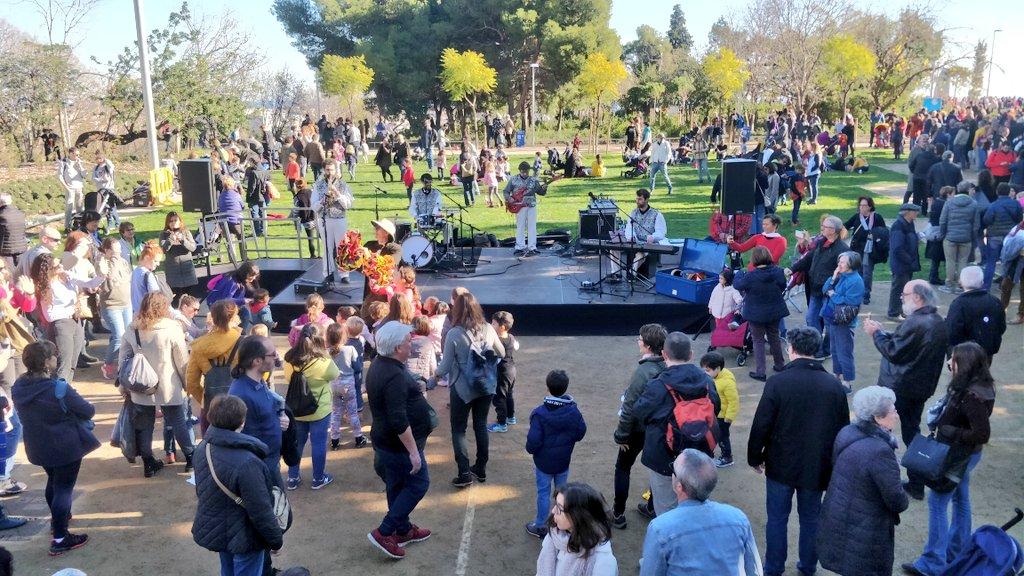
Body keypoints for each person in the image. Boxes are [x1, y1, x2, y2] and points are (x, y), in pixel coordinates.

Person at [747, 326, 850, 576]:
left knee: (777, 519)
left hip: (781, 464)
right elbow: (843, 429)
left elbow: (762, 423)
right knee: (811, 519)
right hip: (817, 466)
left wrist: (754, 456)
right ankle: (807, 566)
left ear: (791, 349)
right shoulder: (834, 387)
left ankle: (773, 567)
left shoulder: (778, 382)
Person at [904, 341, 995, 576]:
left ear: (962, 364)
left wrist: (950, 431)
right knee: (960, 498)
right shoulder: (979, 386)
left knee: (937, 503)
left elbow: (982, 433)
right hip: (965, 455)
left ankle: (933, 562)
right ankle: (958, 551)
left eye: (952, 359)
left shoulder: (972, 395)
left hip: (957, 455)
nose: (948, 363)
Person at [12, 341, 99, 555]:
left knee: (53, 482)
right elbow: (88, 411)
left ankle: (57, 521)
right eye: (53, 356)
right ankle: (60, 538)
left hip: (38, 446)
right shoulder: (58, 388)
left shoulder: (18, 387)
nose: (56, 358)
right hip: (65, 447)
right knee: (63, 489)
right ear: (46, 362)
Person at [862, 280, 948, 497]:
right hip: (919, 387)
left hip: (900, 387)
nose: (901, 297)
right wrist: (885, 333)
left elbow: (894, 351)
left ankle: (882, 477)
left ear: (918, 297)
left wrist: (876, 334)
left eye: (905, 294)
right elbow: (907, 344)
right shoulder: (936, 320)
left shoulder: (917, 322)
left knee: (880, 428)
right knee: (911, 431)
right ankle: (916, 482)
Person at [817, 386, 909, 576]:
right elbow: (897, 500)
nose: (897, 414)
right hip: (866, 531)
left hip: (841, 518)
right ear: (878, 417)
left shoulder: (848, 432)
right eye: (893, 410)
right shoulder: (880, 451)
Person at [365, 321, 435, 560]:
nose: (411, 344)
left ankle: (403, 529)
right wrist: (414, 452)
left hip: (385, 442)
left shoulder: (380, 363)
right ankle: (385, 532)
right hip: (397, 445)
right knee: (418, 483)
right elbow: (398, 420)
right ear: (397, 348)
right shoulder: (393, 374)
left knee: (396, 484)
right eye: (407, 342)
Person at [192, 395, 283, 576]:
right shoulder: (248, 462)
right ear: (242, 422)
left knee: (227, 570)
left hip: (219, 529)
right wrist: (275, 540)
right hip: (245, 536)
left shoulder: (203, 448)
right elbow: (260, 509)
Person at [632, 332, 720, 516]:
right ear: (691, 355)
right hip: (699, 454)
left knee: (666, 508)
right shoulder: (707, 382)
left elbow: (640, 412)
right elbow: (716, 408)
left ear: (664, 355)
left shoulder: (658, 385)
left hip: (665, 456)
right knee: (697, 502)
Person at [639, 449, 762, 576]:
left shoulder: (660, 529)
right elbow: (754, 570)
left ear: (679, 486)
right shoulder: (739, 519)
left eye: (673, 469)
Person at [118, 292, 194, 476]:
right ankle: (191, 458)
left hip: (140, 384)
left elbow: (123, 359)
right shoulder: (173, 328)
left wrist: (124, 386)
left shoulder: (132, 328)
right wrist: (187, 384)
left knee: (145, 425)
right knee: (178, 421)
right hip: (169, 384)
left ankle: (148, 463)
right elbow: (182, 360)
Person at [436, 292, 505, 487]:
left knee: (459, 430)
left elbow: (445, 366)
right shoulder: (488, 329)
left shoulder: (454, 333)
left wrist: (432, 378)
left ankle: (464, 472)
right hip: (485, 385)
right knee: (481, 425)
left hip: (462, 389)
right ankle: (481, 468)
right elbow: (500, 352)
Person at [611, 323, 667, 528]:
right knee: (657, 468)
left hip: (637, 430)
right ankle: (652, 506)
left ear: (648, 347)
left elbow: (629, 407)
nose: (638, 342)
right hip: (659, 430)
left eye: (640, 340)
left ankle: (618, 514)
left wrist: (621, 435)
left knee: (623, 467)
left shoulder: (643, 372)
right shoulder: (668, 366)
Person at [525, 370, 587, 538]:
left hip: (544, 463)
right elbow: (581, 432)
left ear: (548, 388)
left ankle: (541, 525)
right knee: (561, 493)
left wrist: (533, 450)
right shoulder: (573, 411)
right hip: (563, 461)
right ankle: (561, 523)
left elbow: (533, 442)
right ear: (565, 388)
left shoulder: (539, 413)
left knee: (543, 493)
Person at [283, 323, 340, 491]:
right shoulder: (323, 361)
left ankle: (292, 478)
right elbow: (334, 374)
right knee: (319, 444)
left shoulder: (289, 359)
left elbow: (287, 378)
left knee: (296, 443)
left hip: (296, 409)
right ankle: (318, 478)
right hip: (319, 410)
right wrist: (326, 355)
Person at [31, 254, 104, 383]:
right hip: (61, 325)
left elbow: (90, 283)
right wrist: (73, 307)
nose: (61, 266)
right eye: (56, 265)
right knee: (63, 363)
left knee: (73, 362)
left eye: (60, 263)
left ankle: (66, 389)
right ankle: (58, 394)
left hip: (75, 321)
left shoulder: (66, 276)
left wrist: (102, 275)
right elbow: (50, 316)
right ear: (47, 270)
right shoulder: (46, 286)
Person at [229, 336, 288, 488]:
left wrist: (280, 419)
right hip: (260, 468)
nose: (276, 357)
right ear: (257, 361)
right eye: (273, 354)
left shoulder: (259, 382)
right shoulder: (241, 394)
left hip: (270, 461)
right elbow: (235, 436)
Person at [787, 215, 848, 359]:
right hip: (815, 290)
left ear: (833, 230)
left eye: (825, 226)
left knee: (829, 323)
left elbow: (844, 273)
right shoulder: (822, 242)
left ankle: (825, 350)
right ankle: (818, 348)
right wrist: (793, 269)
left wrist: (831, 288)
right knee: (811, 318)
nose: (822, 228)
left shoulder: (842, 250)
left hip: (829, 294)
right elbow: (808, 258)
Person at [535, 483, 617, 576]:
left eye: (560, 508)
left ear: (579, 516)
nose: (553, 511)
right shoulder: (555, 534)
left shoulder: (604, 564)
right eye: (555, 504)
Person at [734, 246, 789, 381]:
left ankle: (761, 372)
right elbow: (783, 286)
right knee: (774, 337)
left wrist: (739, 274)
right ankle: (780, 365)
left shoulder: (750, 276)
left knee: (757, 341)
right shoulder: (778, 272)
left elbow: (737, 285)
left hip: (755, 313)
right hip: (774, 310)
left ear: (754, 259)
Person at [820, 251, 865, 393]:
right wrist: (833, 278)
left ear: (852, 264)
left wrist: (833, 294)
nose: (839, 264)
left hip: (844, 322)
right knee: (834, 350)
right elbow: (824, 289)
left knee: (844, 351)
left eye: (843, 262)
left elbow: (851, 301)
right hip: (833, 318)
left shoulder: (856, 281)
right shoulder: (841, 275)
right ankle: (836, 376)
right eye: (839, 261)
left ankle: (847, 383)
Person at [946, 266, 1005, 360]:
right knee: (983, 372)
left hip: (964, 354)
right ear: (982, 282)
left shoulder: (958, 304)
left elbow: (952, 332)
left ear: (960, 282)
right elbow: (1001, 326)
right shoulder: (995, 301)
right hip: (986, 351)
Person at [95, 236, 133, 380]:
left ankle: (125, 362)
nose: (118, 253)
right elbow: (105, 274)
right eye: (114, 250)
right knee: (118, 336)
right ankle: (108, 364)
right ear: (106, 250)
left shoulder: (123, 262)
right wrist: (109, 259)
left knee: (126, 335)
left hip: (126, 303)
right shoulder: (102, 263)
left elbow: (128, 278)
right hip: (111, 305)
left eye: (119, 250)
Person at [610, 188, 667, 283]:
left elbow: (661, 232)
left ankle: (632, 273)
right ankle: (616, 274)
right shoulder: (633, 212)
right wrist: (630, 236)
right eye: (637, 199)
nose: (637, 201)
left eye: (640, 199)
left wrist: (653, 237)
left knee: (640, 255)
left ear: (646, 199)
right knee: (613, 249)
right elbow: (629, 227)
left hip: (647, 244)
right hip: (633, 242)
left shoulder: (657, 214)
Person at [311, 162, 354, 283]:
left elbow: (348, 204)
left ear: (336, 170)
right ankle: (328, 273)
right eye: (327, 170)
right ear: (324, 170)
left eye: (332, 170)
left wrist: (337, 193)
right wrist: (322, 200)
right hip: (324, 219)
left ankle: (344, 274)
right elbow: (313, 206)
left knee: (341, 247)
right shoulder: (318, 185)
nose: (330, 173)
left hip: (339, 219)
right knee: (327, 247)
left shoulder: (343, 184)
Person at [325, 322, 365, 450]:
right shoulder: (350, 349)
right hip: (348, 384)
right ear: (344, 336)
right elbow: (357, 367)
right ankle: (358, 437)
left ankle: (335, 440)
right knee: (352, 412)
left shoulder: (326, 352)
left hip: (333, 384)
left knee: (336, 412)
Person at [939, 182, 979, 294]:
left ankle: (948, 284)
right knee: (963, 261)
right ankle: (960, 285)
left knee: (950, 261)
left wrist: (943, 235)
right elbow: (976, 225)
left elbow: (943, 221)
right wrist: (972, 237)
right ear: (968, 190)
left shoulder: (949, 202)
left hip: (950, 237)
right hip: (966, 238)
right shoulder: (974, 204)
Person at [981, 183, 1024, 290]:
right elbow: (1019, 220)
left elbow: (987, 220)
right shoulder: (1016, 204)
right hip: (1011, 237)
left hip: (995, 237)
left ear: (997, 192)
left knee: (991, 262)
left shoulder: (993, 205)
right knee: (1008, 261)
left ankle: (986, 286)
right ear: (1009, 192)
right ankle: (1004, 285)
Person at [844, 197, 886, 304]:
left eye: (864, 206)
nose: (861, 208)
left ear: (870, 207)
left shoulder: (877, 217)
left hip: (870, 250)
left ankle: (866, 294)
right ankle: (858, 292)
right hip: (856, 249)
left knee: (867, 272)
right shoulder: (857, 217)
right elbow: (846, 226)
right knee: (857, 272)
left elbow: (884, 232)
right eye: (860, 205)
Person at [700, 352, 738, 468]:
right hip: (714, 414)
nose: (704, 373)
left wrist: (729, 418)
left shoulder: (727, 382)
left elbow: (734, 401)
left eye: (707, 370)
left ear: (717, 369)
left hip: (723, 417)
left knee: (723, 437)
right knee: (713, 434)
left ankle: (727, 457)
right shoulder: (713, 377)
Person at [503, 161, 550, 257]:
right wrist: (509, 198)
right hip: (519, 206)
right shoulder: (514, 180)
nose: (525, 173)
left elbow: (540, 192)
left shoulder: (533, 180)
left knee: (532, 226)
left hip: (531, 205)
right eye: (523, 171)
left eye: (526, 171)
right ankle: (520, 246)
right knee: (520, 226)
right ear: (519, 171)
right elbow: (506, 191)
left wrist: (544, 188)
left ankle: (532, 247)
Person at [886, 202, 923, 320]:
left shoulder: (909, 223)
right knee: (898, 288)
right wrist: (910, 260)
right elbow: (897, 248)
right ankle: (893, 313)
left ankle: (901, 311)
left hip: (906, 264)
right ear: (907, 212)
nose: (917, 213)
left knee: (904, 289)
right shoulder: (899, 226)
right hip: (901, 264)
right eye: (915, 211)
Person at [488, 311, 519, 432]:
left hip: (502, 372)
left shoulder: (498, 341)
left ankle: (501, 424)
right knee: (509, 395)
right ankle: (510, 417)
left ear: (501, 327)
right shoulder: (510, 337)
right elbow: (516, 346)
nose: (491, 325)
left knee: (499, 398)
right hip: (511, 370)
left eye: (494, 323)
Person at [159, 212, 198, 307]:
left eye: (175, 220)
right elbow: (163, 249)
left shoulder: (186, 232)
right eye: (170, 221)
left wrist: (183, 240)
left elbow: (193, 248)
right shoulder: (164, 234)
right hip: (173, 273)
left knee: (189, 301)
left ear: (180, 221)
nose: (173, 223)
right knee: (176, 301)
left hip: (187, 271)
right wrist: (171, 240)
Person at [57, 147, 87, 231]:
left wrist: (80, 165)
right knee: (69, 207)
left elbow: (85, 175)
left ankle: (79, 224)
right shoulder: (64, 162)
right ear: (71, 153)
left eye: (78, 155)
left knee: (80, 207)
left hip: (79, 187)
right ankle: (67, 226)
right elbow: (60, 176)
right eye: (76, 154)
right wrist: (66, 187)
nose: (77, 156)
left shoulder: (79, 162)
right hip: (70, 188)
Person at [129, 241, 164, 313]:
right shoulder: (148, 275)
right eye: (155, 261)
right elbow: (156, 300)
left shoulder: (135, 272)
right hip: (148, 316)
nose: (158, 264)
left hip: (137, 314)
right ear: (147, 258)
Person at [0, 195, 26, 270]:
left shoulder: (1, 214)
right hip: (21, 247)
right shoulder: (20, 213)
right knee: (20, 271)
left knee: (9, 272)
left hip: (6, 250)